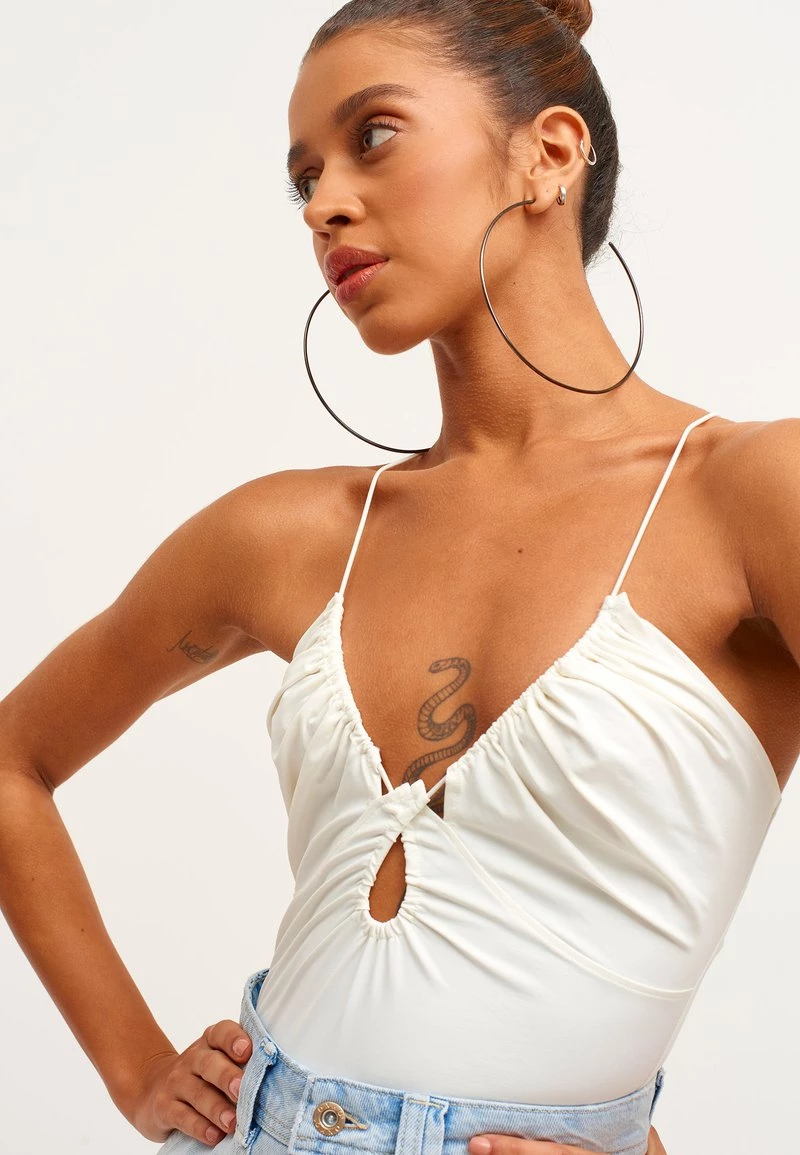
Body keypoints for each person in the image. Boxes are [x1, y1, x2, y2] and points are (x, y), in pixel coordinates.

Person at [0, 1, 795, 1153]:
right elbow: (13, 762)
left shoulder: (748, 496)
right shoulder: (289, 533)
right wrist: (134, 1072)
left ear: (547, 152)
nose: (322, 203)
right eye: (303, 177)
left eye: (371, 135)